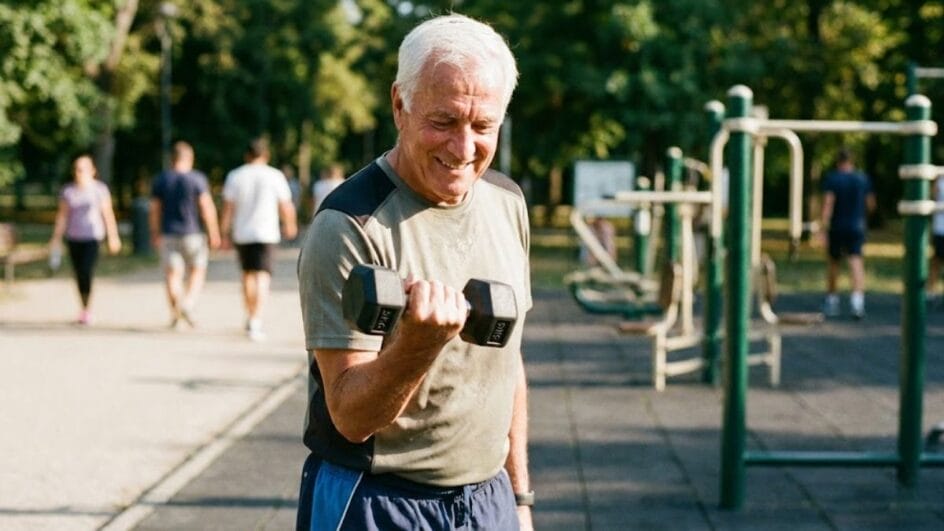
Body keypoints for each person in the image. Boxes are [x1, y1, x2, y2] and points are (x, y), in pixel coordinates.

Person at [296, 14, 533, 531]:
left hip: (488, 498)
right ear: (400, 106)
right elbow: (351, 418)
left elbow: (508, 366)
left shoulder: (507, 203)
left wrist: (519, 497)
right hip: (377, 499)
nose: (464, 148)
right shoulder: (350, 225)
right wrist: (419, 345)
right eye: (444, 122)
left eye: (483, 126)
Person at [220, 137, 297, 341]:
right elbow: (285, 205)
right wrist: (290, 224)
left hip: (242, 233)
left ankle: (250, 315)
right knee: (262, 276)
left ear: (247, 155)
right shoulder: (275, 176)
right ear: (266, 155)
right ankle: (256, 319)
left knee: (247, 275)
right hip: (267, 233)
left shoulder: (235, 176)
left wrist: (223, 232)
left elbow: (228, 208)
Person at [149, 141, 222, 328]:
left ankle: (176, 314)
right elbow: (206, 207)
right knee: (197, 271)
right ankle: (187, 304)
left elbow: (155, 209)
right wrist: (214, 232)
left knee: (172, 275)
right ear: (189, 158)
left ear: (171, 159)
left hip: (168, 234)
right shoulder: (197, 179)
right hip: (193, 234)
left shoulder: (161, 179)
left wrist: (155, 232)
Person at [49, 155, 122, 325]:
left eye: (82, 169)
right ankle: (83, 307)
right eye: (76, 169)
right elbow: (62, 216)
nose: (78, 172)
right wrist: (56, 238)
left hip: (92, 237)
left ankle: (87, 308)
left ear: (92, 171)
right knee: (78, 274)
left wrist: (113, 236)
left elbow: (107, 214)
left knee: (86, 272)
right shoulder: (68, 191)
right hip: (74, 237)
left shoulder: (99, 190)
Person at [819, 148, 875, 319]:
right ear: (852, 161)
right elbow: (871, 204)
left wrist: (822, 227)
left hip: (837, 226)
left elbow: (828, 204)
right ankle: (857, 303)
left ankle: (832, 301)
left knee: (833, 262)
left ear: (838, 162)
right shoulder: (863, 179)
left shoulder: (833, 179)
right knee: (856, 261)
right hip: (856, 225)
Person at [929, 173, 944, 306]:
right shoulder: (939, 178)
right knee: (936, 262)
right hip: (940, 228)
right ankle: (931, 292)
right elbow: (933, 197)